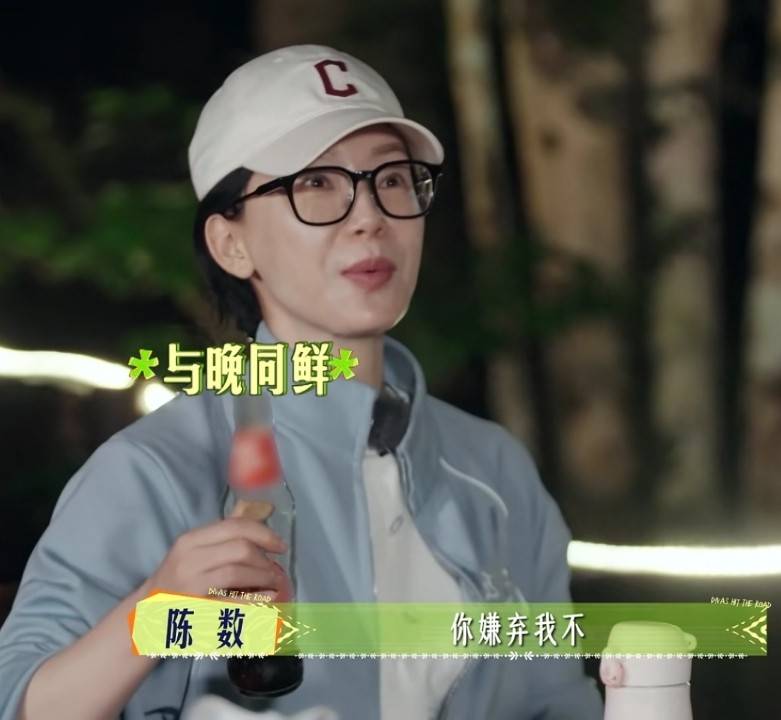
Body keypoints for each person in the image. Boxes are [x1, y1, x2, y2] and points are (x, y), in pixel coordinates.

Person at [0, 45, 603, 720]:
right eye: (315, 182)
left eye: (392, 179)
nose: (369, 215)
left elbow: (558, 703)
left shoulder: (492, 469)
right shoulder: (157, 470)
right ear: (232, 244)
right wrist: (156, 610)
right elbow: (21, 701)